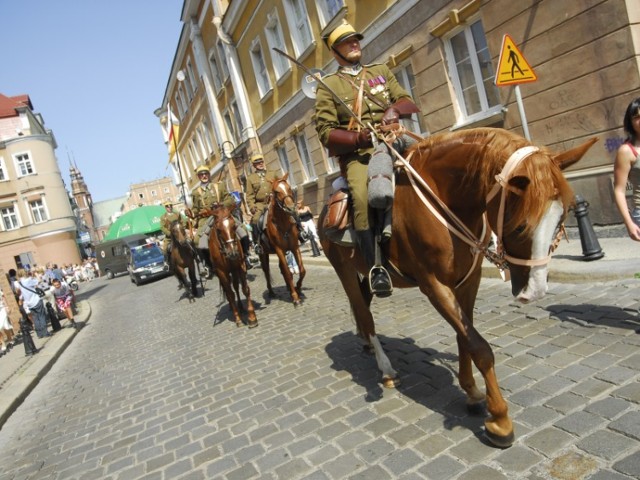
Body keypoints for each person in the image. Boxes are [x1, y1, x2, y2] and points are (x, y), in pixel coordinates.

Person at [315, 20, 419, 297]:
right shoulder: (328, 86)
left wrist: (394, 112)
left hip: (395, 141)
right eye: (347, 41)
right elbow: (325, 132)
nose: (355, 43)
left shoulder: (380, 71)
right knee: (362, 196)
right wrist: (357, 139)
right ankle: (376, 268)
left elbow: (407, 100)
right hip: (360, 155)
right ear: (335, 51)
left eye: (356, 39)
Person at [246, 153, 308, 250]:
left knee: (291, 211)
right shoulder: (250, 179)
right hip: (261, 205)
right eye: (257, 163)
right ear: (254, 165)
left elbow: (280, 184)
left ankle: (301, 232)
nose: (260, 164)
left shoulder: (272, 173)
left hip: (275, 201)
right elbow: (249, 195)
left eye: (261, 162)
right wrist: (252, 207)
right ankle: (257, 243)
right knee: (255, 220)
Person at [191, 165, 235, 276]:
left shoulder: (219, 186)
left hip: (221, 215)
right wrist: (193, 213)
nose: (204, 176)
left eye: (206, 174)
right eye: (201, 174)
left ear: (209, 175)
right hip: (205, 219)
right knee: (197, 240)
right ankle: (207, 265)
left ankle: (247, 254)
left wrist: (221, 204)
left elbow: (230, 199)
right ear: (198, 177)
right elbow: (195, 209)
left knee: (241, 228)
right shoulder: (196, 192)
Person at [614, 97, 640, 242]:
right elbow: (619, 190)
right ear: (630, 122)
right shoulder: (626, 151)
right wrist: (629, 223)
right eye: (636, 117)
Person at [14, 268, 50, 339]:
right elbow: (39, 281)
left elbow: (18, 292)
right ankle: (45, 332)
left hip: (29, 303)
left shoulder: (19, 283)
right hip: (36, 300)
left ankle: (39, 334)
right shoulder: (28, 280)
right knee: (41, 316)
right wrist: (36, 274)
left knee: (35, 318)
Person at [0, 288, 15, 354]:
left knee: (5, 326)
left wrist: (7, 307)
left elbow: (3, 298)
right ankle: (3, 343)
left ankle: (10, 339)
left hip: (2, 309)